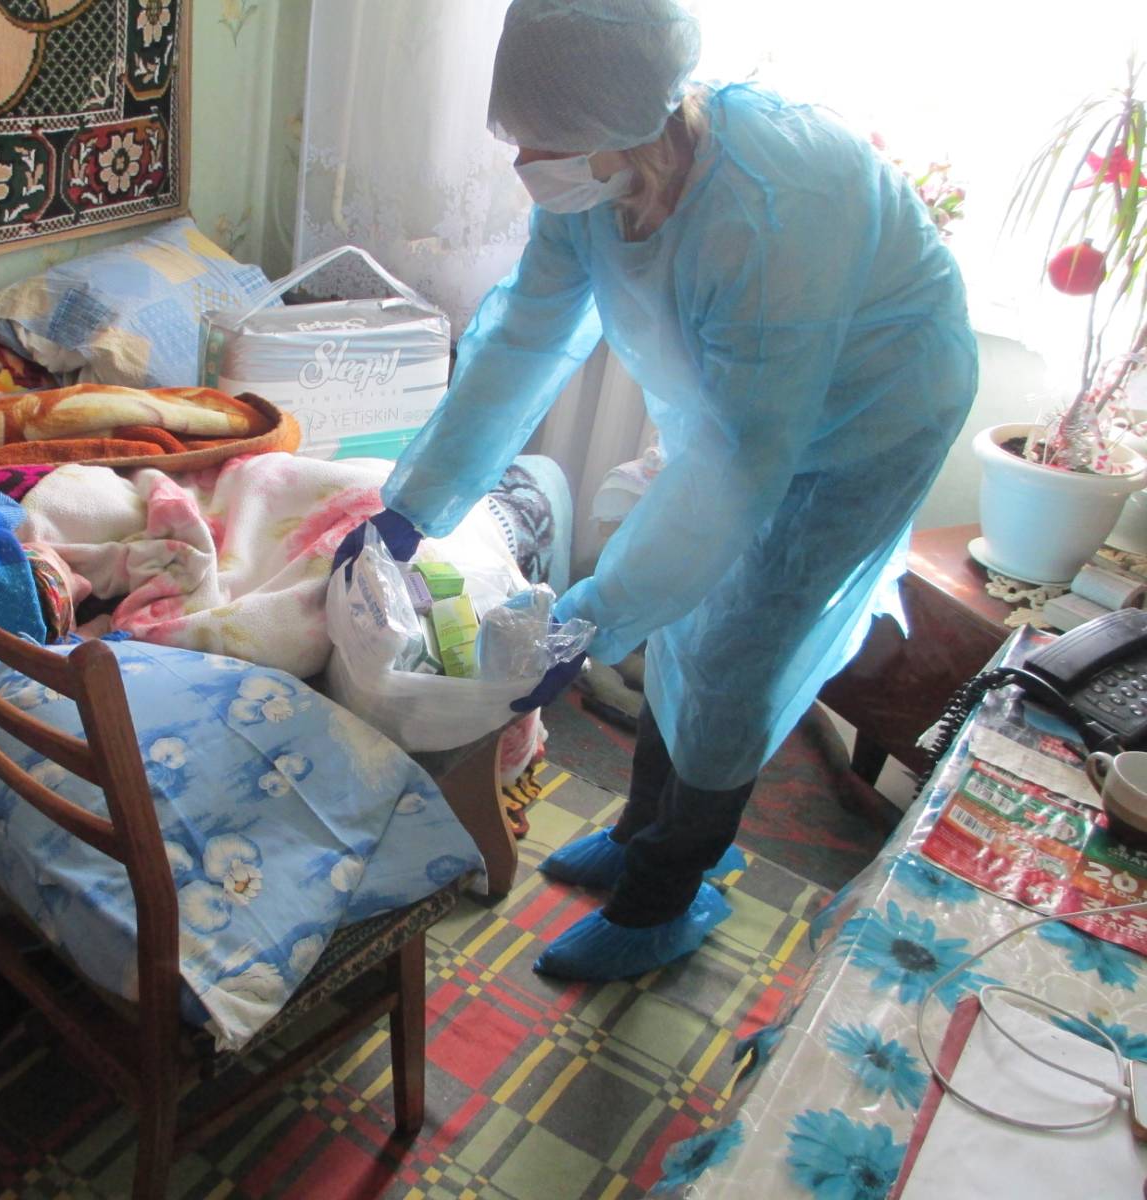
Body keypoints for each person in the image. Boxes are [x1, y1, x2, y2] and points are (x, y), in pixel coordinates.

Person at [334, 0, 978, 981]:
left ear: (627, 122)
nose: (525, 162)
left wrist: (592, 616)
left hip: (870, 419)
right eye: (520, 136)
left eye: (545, 140)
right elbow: (523, 340)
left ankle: (665, 897)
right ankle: (643, 827)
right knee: (683, 627)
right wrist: (416, 500)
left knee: (740, 651)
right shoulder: (599, 182)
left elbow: (737, 467)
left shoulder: (773, 213)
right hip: (743, 415)